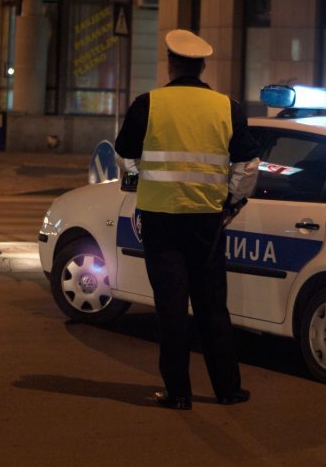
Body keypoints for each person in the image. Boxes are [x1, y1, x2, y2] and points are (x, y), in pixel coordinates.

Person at [115, 29, 260, 411]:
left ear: (170, 63)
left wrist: (136, 184)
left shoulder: (147, 105)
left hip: (161, 221)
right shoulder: (226, 107)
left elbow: (125, 155)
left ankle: (178, 393)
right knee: (213, 307)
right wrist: (231, 202)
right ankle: (227, 389)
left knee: (171, 308)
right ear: (202, 66)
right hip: (208, 221)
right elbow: (247, 165)